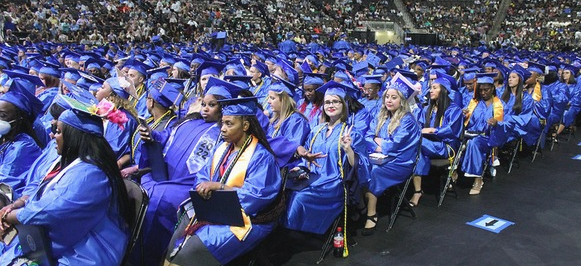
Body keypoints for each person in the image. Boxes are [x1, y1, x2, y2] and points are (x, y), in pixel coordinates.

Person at [0, 96, 130, 265]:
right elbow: (43, 193)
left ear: (74, 137)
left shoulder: (90, 174)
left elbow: (52, 209)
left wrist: (9, 216)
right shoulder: (76, 164)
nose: (52, 135)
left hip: (84, 253)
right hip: (66, 241)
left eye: (59, 131)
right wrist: (19, 204)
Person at [164, 97, 283, 266]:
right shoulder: (221, 148)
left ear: (245, 126)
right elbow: (203, 174)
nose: (223, 129)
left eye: (229, 124)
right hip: (215, 208)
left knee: (195, 247)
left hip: (246, 218)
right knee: (178, 235)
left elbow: (257, 196)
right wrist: (203, 187)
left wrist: (219, 187)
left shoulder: (261, 156)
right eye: (223, 123)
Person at [133, 77, 239, 266]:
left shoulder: (223, 133)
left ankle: (154, 256)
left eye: (212, 105)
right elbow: (164, 137)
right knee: (141, 188)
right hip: (165, 176)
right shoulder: (186, 122)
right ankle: (135, 251)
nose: (205, 108)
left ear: (223, 109)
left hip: (189, 184)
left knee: (158, 198)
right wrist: (151, 135)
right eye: (204, 104)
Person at [281, 81, 370, 237]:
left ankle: (297, 233)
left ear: (343, 104)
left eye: (336, 101)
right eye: (327, 102)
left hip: (333, 183)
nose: (331, 105)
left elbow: (362, 166)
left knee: (298, 198)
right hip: (311, 178)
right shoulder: (316, 130)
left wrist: (348, 149)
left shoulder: (351, 133)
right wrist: (300, 167)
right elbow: (307, 156)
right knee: (283, 190)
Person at [363, 73, 421, 235]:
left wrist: (378, 141)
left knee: (374, 171)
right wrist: (378, 143)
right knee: (360, 166)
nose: (389, 100)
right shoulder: (380, 115)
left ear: (402, 100)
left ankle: (371, 214)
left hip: (400, 162)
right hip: (379, 158)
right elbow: (367, 136)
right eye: (387, 96)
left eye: (394, 97)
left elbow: (396, 144)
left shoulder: (407, 120)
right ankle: (363, 204)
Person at [410, 74, 463, 207]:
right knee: (418, 148)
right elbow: (420, 125)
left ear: (443, 90)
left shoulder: (454, 109)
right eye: (430, 88)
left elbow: (453, 131)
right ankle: (417, 190)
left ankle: (414, 188)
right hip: (427, 144)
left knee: (417, 142)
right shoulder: (428, 108)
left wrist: (434, 130)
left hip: (445, 147)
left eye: (434, 88)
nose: (430, 91)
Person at [461, 73, 505, 195]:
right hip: (470, 134)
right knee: (454, 139)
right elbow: (465, 122)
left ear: (492, 89)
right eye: (481, 90)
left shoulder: (500, 105)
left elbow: (507, 125)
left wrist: (497, 123)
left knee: (474, 143)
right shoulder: (474, 103)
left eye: (486, 90)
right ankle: (452, 172)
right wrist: (462, 115)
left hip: (488, 138)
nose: (483, 93)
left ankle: (478, 179)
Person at [0, 78, 43, 195]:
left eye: (3, 115)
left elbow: (5, 183)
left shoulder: (23, 147)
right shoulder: (5, 138)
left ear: (20, 119)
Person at [266, 77, 310, 169]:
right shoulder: (275, 120)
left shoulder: (296, 120)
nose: (268, 101)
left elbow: (290, 148)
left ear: (284, 100)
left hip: (287, 168)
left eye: (272, 98)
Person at [95, 76, 139, 169]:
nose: (98, 89)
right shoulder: (105, 113)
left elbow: (114, 149)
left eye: (102, 87)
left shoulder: (123, 119)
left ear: (111, 95)